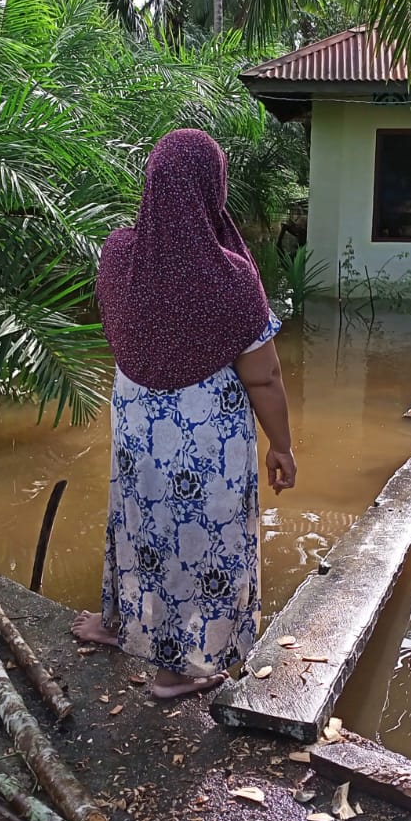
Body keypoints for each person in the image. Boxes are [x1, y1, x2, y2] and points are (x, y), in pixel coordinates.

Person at [72, 129, 297, 699]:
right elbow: (264, 376)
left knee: (136, 523)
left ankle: (116, 621)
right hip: (203, 437)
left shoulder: (119, 254)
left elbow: (122, 332)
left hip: (137, 424)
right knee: (199, 543)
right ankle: (175, 671)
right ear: (212, 189)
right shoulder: (229, 276)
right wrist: (282, 445)